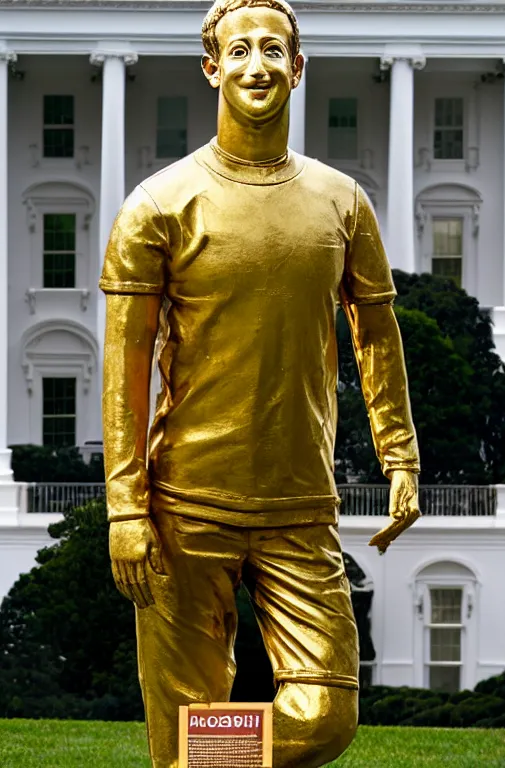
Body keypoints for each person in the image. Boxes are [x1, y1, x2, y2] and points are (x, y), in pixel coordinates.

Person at [99, 0, 421, 765]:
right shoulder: (158, 204)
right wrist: (123, 505)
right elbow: (126, 362)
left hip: (301, 505)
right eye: (238, 50)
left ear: (298, 69)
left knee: (325, 718)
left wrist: (400, 456)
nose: (257, 65)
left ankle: (196, 757)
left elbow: (377, 337)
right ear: (212, 68)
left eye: (274, 50)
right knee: (180, 721)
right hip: (183, 508)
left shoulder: (342, 202)